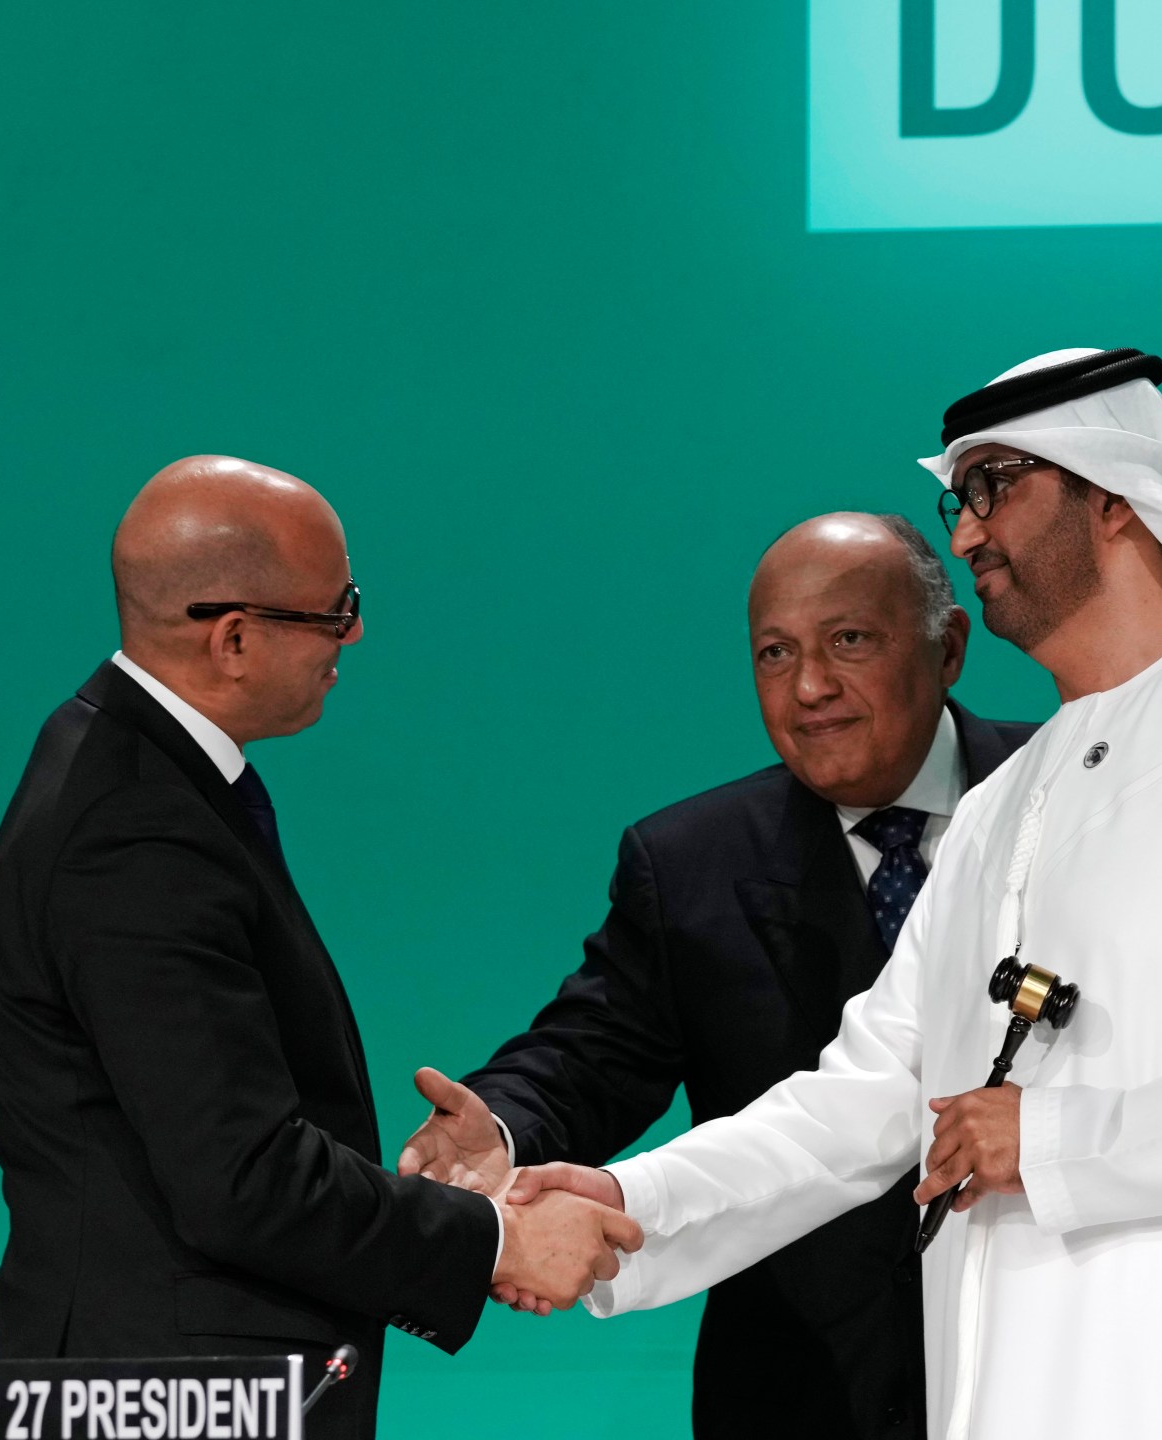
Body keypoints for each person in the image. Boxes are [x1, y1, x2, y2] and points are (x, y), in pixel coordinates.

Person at [498, 349, 1162, 1440]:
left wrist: (1060, 1141)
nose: (967, 533)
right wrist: (636, 1203)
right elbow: (868, 1096)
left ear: (1116, 498)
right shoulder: (1002, 806)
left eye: (997, 488)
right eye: (960, 500)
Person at [0, 456, 638, 1440]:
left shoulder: (133, 770)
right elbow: (238, 1177)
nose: (354, 635)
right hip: (161, 1401)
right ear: (234, 638)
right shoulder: (135, 826)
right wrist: (494, 1239)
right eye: (336, 612)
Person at [393, 512, 1035, 1439]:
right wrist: (501, 1126)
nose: (810, 687)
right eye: (775, 654)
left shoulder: (1066, 797)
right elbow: (591, 1050)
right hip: (805, 1389)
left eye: (848, 640)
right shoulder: (690, 862)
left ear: (950, 646)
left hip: (1049, 1352)